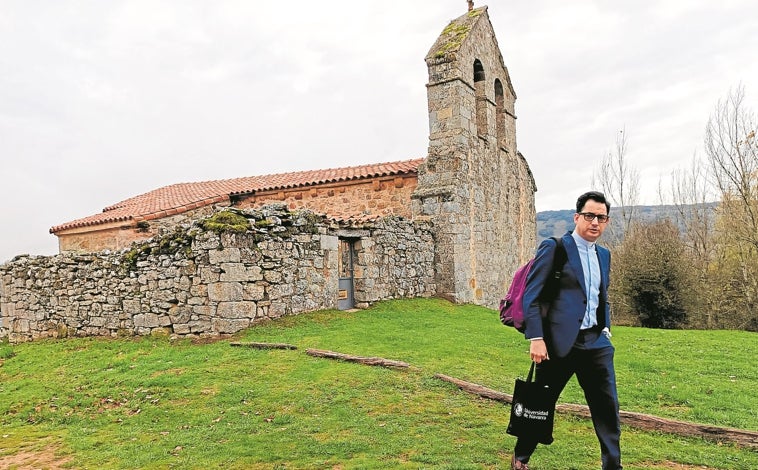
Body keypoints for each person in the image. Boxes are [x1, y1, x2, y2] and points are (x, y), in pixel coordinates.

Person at [511, 191, 622, 470]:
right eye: (589, 216)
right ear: (577, 217)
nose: (595, 222)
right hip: (558, 345)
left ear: (606, 221)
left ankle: (612, 465)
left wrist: (605, 328)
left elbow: (601, 296)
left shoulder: (604, 255)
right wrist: (536, 338)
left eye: (601, 217)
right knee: (541, 403)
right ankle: (521, 457)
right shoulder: (556, 248)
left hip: (596, 344)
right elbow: (532, 296)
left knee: (608, 409)